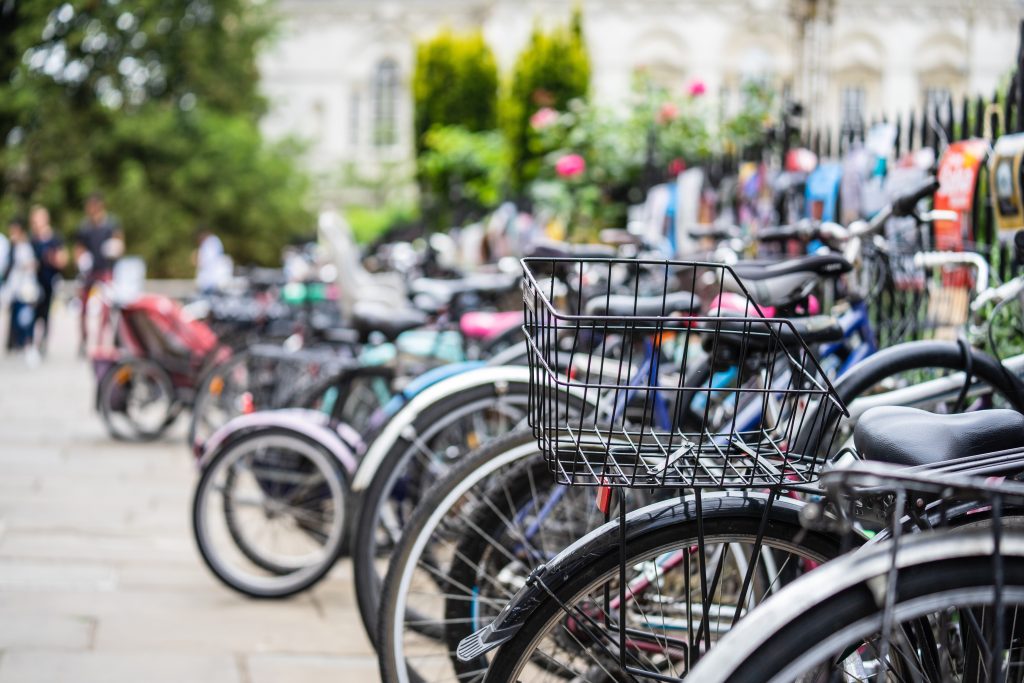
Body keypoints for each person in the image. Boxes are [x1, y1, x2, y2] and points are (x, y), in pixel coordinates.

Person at [75, 192, 123, 354]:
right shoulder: (85, 227)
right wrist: (81, 260)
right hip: (89, 272)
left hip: (106, 271)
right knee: (82, 307)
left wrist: (114, 248)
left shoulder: (111, 224)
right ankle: (84, 339)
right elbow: (79, 248)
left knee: (105, 309)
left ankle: (101, 341)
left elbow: (120, 243)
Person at [30, 205, 67, 354]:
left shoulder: (54, 238)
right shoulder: (32, 239)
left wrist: (51, 258)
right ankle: (31, 340)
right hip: (34, 282)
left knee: (46, 312)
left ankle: (43, 340)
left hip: (49, 280)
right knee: (34, 312)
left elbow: (62, 259)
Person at [4, 218, 40, 361]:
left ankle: (28, 344)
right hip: (14, 290)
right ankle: (17, 344)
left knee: (26, 318)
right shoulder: (10, 248)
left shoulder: (26, 247)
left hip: (26, 289)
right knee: (15, 318)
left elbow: (32, 265)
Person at [193, 226, 226, 295]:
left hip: (211, 283)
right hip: (210, 282)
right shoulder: (212, 243)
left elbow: (206, 262)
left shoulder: (210, 243)